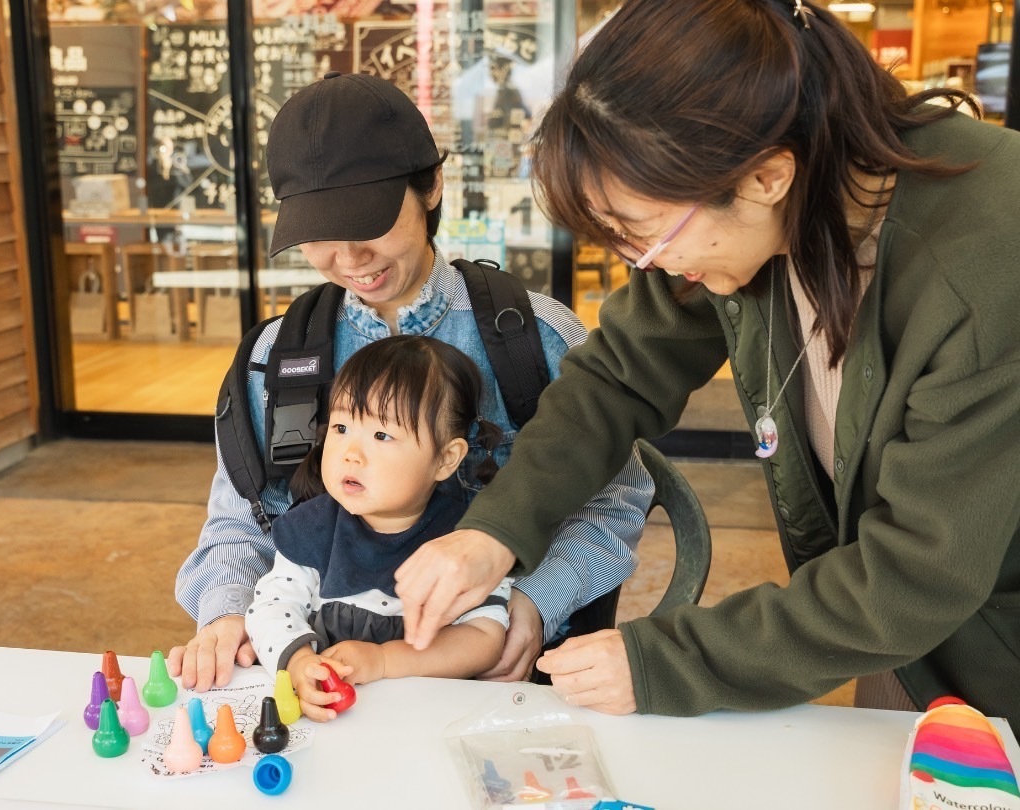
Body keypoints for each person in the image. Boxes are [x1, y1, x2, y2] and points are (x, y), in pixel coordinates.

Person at [394, 0, 1020, 730]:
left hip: (991, 653)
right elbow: (620, 376)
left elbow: (916, 572)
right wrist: (493, 532)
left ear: (765, 179)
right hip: (907, 648)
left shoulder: (980, 269)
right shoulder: (769, 193)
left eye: (647, 236)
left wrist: (667, 660)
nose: (648, 266)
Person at [170, 71, 654, 691]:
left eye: (366, 224)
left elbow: (614, 499)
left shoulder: (531, 336)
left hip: (500, 683)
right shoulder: (276, 356)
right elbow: (241, 522)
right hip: (327, 688)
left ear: (431, 186)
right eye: (316, 236)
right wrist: (230, 611)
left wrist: (534, 600)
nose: (347, 260)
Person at [247, 335, 511, 722]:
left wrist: (386, 660)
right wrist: (298, 661)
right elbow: (272, 606)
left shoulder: (468, 540)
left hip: (432, 722)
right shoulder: (313, 528)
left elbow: (484, 638)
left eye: (382, 435)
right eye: (340, 428)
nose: (350, 453)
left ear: (445, 459)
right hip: (336, 723)